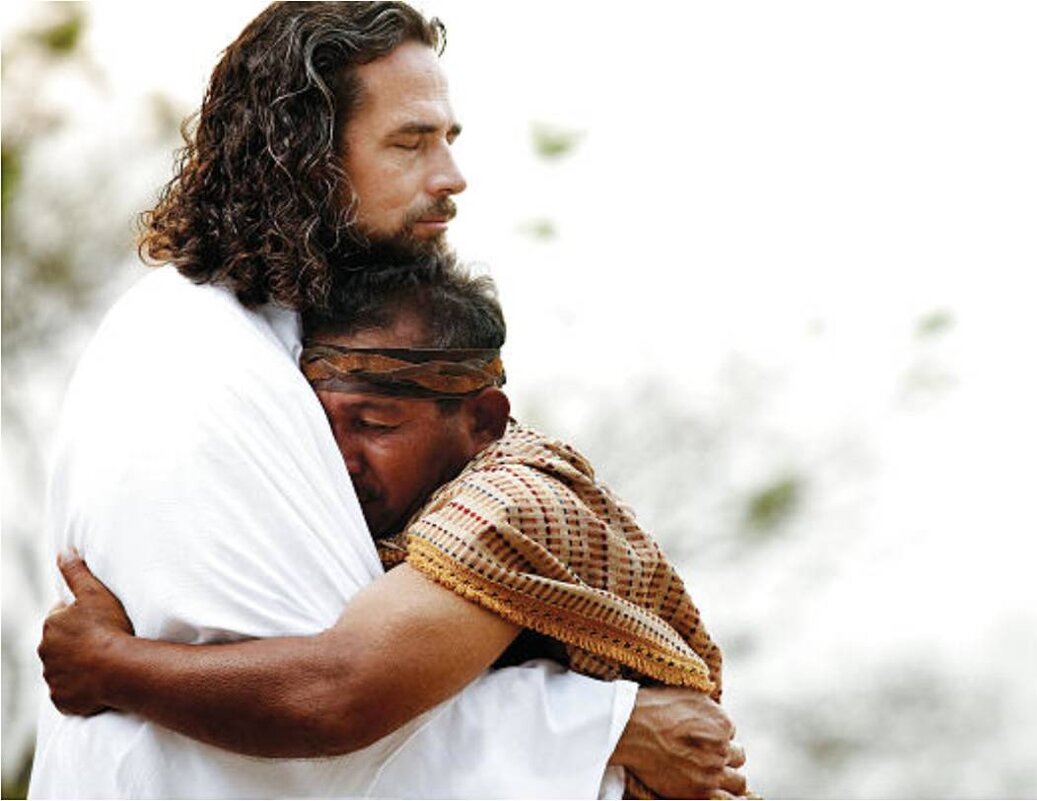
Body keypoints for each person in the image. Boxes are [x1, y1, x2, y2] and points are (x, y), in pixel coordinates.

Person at [28, 3, 742, 798]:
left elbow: (344, 691)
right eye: (410, 143)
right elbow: (315, 721)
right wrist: (607, 726)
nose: (451, 177)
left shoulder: (312, 342)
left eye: (448, 139)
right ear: (303, 158)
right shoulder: (194, 359)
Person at [40, 258, 747, 799]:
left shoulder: (514, 503)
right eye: (322, 429)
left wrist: (110, 664)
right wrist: (612, 726)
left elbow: (335, 695)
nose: (342, 460)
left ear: (483, 422)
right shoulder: (391, 511)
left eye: (376, 424)